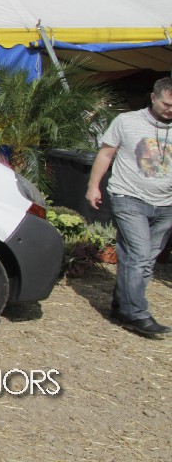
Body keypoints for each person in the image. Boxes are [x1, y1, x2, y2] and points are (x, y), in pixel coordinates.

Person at [86, 77, 172, 338]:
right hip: (129, 196)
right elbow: (105, 154)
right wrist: (93, 186)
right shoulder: (126, 121)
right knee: (139, 255)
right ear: (153, 97)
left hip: (166, 204)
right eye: (167, 104)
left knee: (143, 260)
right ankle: (136, 314)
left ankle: (120, 306)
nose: (170, 110)